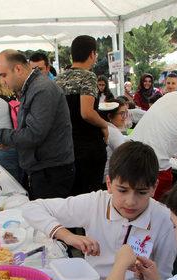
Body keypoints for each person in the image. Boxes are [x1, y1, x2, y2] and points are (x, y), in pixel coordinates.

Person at [23, 141, 176, 280]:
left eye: (141, 192)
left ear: (154, 188)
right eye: (122, 190)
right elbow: (32, 208)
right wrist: (67, 236)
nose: (130, 202)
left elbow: (164, 278)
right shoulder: (95, 203)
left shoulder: (165, 219)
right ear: (109, 183)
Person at [0, 50, 74, 200]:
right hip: (42, 168)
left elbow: (34, 134)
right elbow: (28, 131)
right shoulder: (31, 88)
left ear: (18, 69)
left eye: (3, 75)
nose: (2, 81)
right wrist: (7, 142)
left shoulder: (42, 89)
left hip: (51, 171)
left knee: (49, 220)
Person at [55, 35, 108, 196]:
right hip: (88, 148)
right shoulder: (88, 76)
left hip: (65, 147)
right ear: (92, 54)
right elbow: (86, 112)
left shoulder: (58, 78)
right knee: (90, 196)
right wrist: (104, 125)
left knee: (72, 196)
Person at [98, 99, 128, 184]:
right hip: (107, 181)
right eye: (122, 113)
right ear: (110, 116)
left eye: (126, 113)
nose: (125, 117)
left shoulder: (106, 127)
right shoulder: (111, 130)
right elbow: (127, 156)